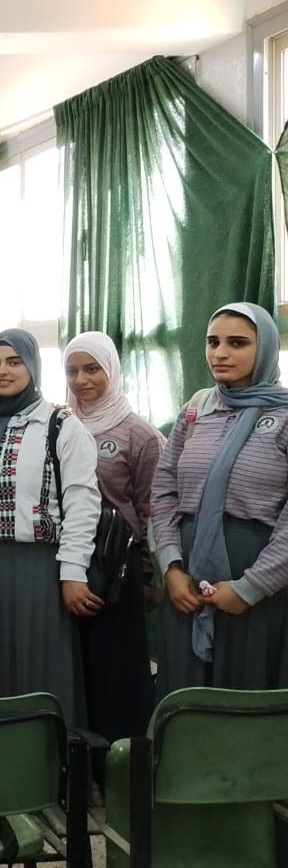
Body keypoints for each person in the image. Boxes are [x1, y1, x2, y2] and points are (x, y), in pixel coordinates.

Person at [0, 329, 100, 725]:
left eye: (14, 362)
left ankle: (41, 757)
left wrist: (73, 572)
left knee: (39, 667)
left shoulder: (61, 425)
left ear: (33, 366)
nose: (2, 371)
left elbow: (82, 504)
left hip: (39, 571)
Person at [152, 303, 288, 696]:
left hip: (260, 576)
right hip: (187, 577)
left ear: (266, 348)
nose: (220, 353)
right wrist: (171, 566)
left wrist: (250, 588)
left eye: (237, 343)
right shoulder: (197, 409)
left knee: (245, 690)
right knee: (185, 693)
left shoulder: (283, 415)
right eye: (213, 342)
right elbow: (163, 489)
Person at [62, 332, 160, 750]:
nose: (81, 380)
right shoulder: (59, 425)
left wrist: (148, 575)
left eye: (92, 369)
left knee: (116, 671)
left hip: (119, 571)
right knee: (74, 666)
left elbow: (152, 510)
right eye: (72, 371)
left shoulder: (140, 435)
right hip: (67, 566)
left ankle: (121, 763)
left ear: (112, 371)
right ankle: (76, 763)